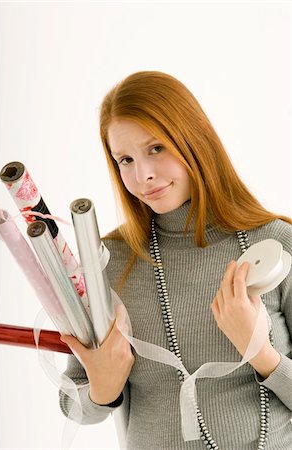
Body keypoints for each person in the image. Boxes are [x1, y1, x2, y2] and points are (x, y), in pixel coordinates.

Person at [59, 71, 292, 450]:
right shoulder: (109, 260)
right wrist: (102, 389)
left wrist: (262, 354)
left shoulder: (276, 242)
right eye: (125, 159)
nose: (143, 175)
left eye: (156, 149)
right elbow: (73, 403)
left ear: (194, 141)